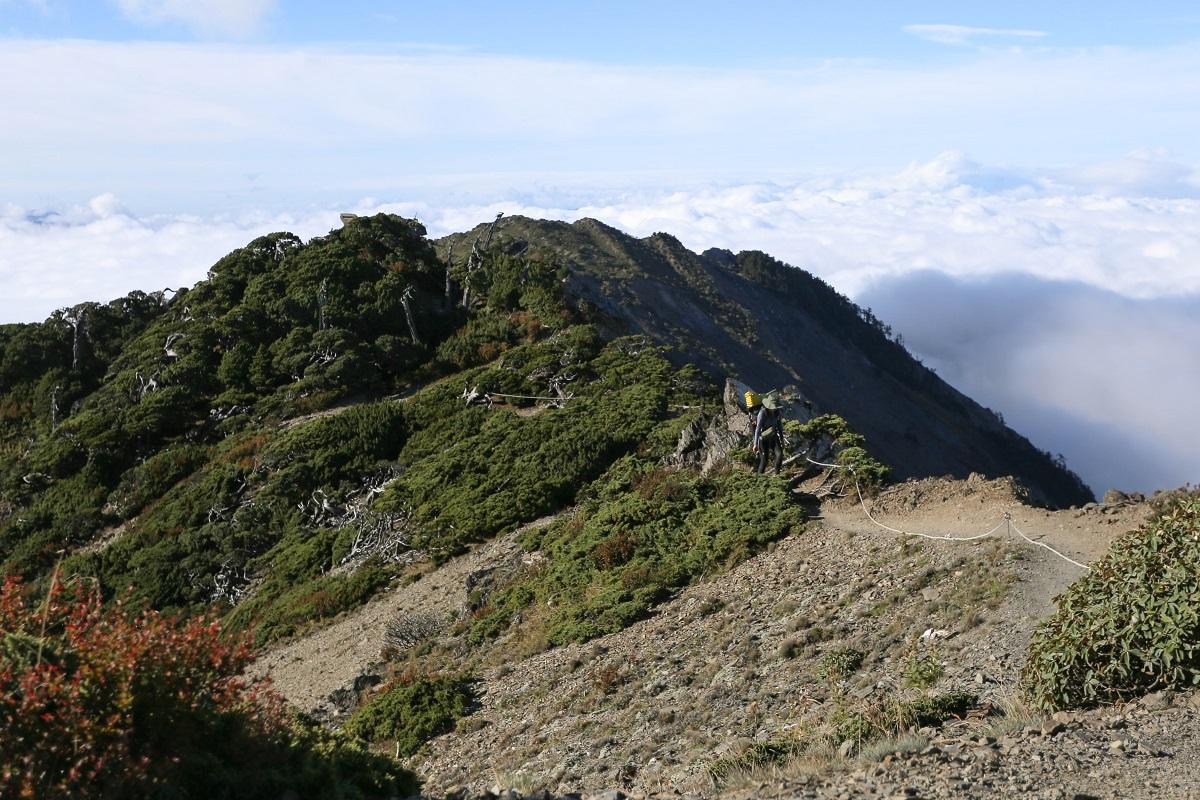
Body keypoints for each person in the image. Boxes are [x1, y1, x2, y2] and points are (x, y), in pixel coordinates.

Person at [752, 393, 784, 474]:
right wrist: (755, 444)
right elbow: (758, 429)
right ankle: (759, 479)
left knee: (779, 455)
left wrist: (782, 439)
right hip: (763, 439)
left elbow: (780, 426)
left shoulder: (777, 413)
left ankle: (777, 475)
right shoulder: (762, 413)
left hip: (773, 437)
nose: (774, 408)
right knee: (764, 460)